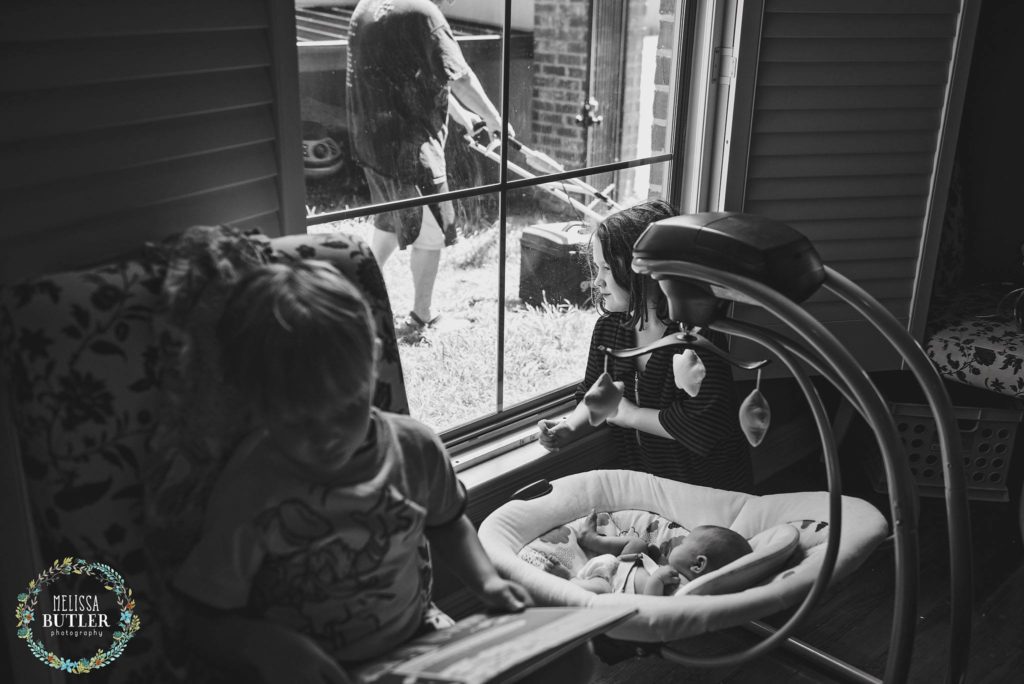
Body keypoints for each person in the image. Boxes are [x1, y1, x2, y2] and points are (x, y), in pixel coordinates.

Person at [172, 261, 591, 683]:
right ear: (255, 401)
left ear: (373, 362)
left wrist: (486, 584)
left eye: (347, 407)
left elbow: (448, 524)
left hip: (419, 642)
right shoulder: (252, 486)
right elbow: (202, 618)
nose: (328, 437)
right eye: (299, 421)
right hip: (309, 670)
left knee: (573, 658)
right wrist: (265, 646)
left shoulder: (415, 449)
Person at [537, 199, 753, 491]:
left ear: (646, 272)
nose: (596, 281)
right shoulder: (609, 331)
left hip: (709, 489)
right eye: (597, 267)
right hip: (647, 488)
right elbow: (596, 398)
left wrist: (631, 416)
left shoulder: (698, 337)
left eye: (607, 268)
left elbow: (703, 426)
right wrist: (569, 429)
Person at [346, 0, 513, 340]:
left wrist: (464, 118)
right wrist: (496, 120)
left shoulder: (371, 6)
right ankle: (421, 319)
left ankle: (352, 295)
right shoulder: (422, 13)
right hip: (409, 148)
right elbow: (460, 75)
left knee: (391, 221)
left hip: (372, 141)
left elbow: (419, 69)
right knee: (431, 232)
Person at [571, 512, 752, 596]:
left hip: (613, 585)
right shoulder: (679, 574)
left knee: (598, 591)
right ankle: (592, 540)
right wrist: (655, 560)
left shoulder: (685, 592)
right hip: (623, 566)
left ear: (698, 565)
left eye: (684, 543)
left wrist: (657, 580)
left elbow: (654, 608)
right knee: (638, 543)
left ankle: (567, 584)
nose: (679, 542)